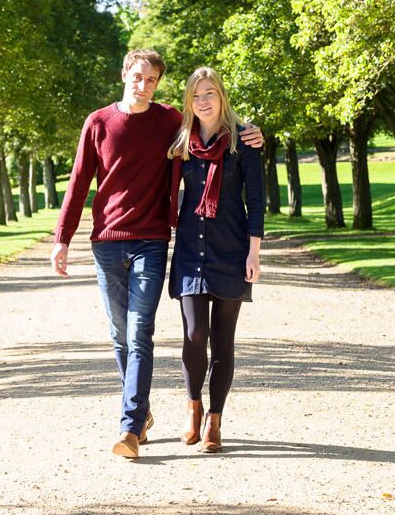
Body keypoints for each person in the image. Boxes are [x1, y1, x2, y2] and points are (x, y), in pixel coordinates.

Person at [50, 50, 262, 459]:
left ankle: (131, 427)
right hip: (107, 241)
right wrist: (62, 238)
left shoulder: (169, 122)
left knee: (139, 332)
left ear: (158, 84)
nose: (143, 85)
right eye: (137, 77)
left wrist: (252, 132)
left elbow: (218, 130)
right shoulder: (102, 122)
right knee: (120, 335)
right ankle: (145, 412)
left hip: (151, 240)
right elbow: (78, 182)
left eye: (151, 80)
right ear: (124, 75)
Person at [167, 66, 264, 453]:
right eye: (196, 95)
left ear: (221, 95)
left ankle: (215, 420)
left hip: (231, 250)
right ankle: (193, 407)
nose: (203, 101)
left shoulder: (244, 141)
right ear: (188, 101)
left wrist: (254, 252)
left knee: (224, 341)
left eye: (209, 93)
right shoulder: (181, 143)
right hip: (191, 251)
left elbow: (255, 200)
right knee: (195, 334)